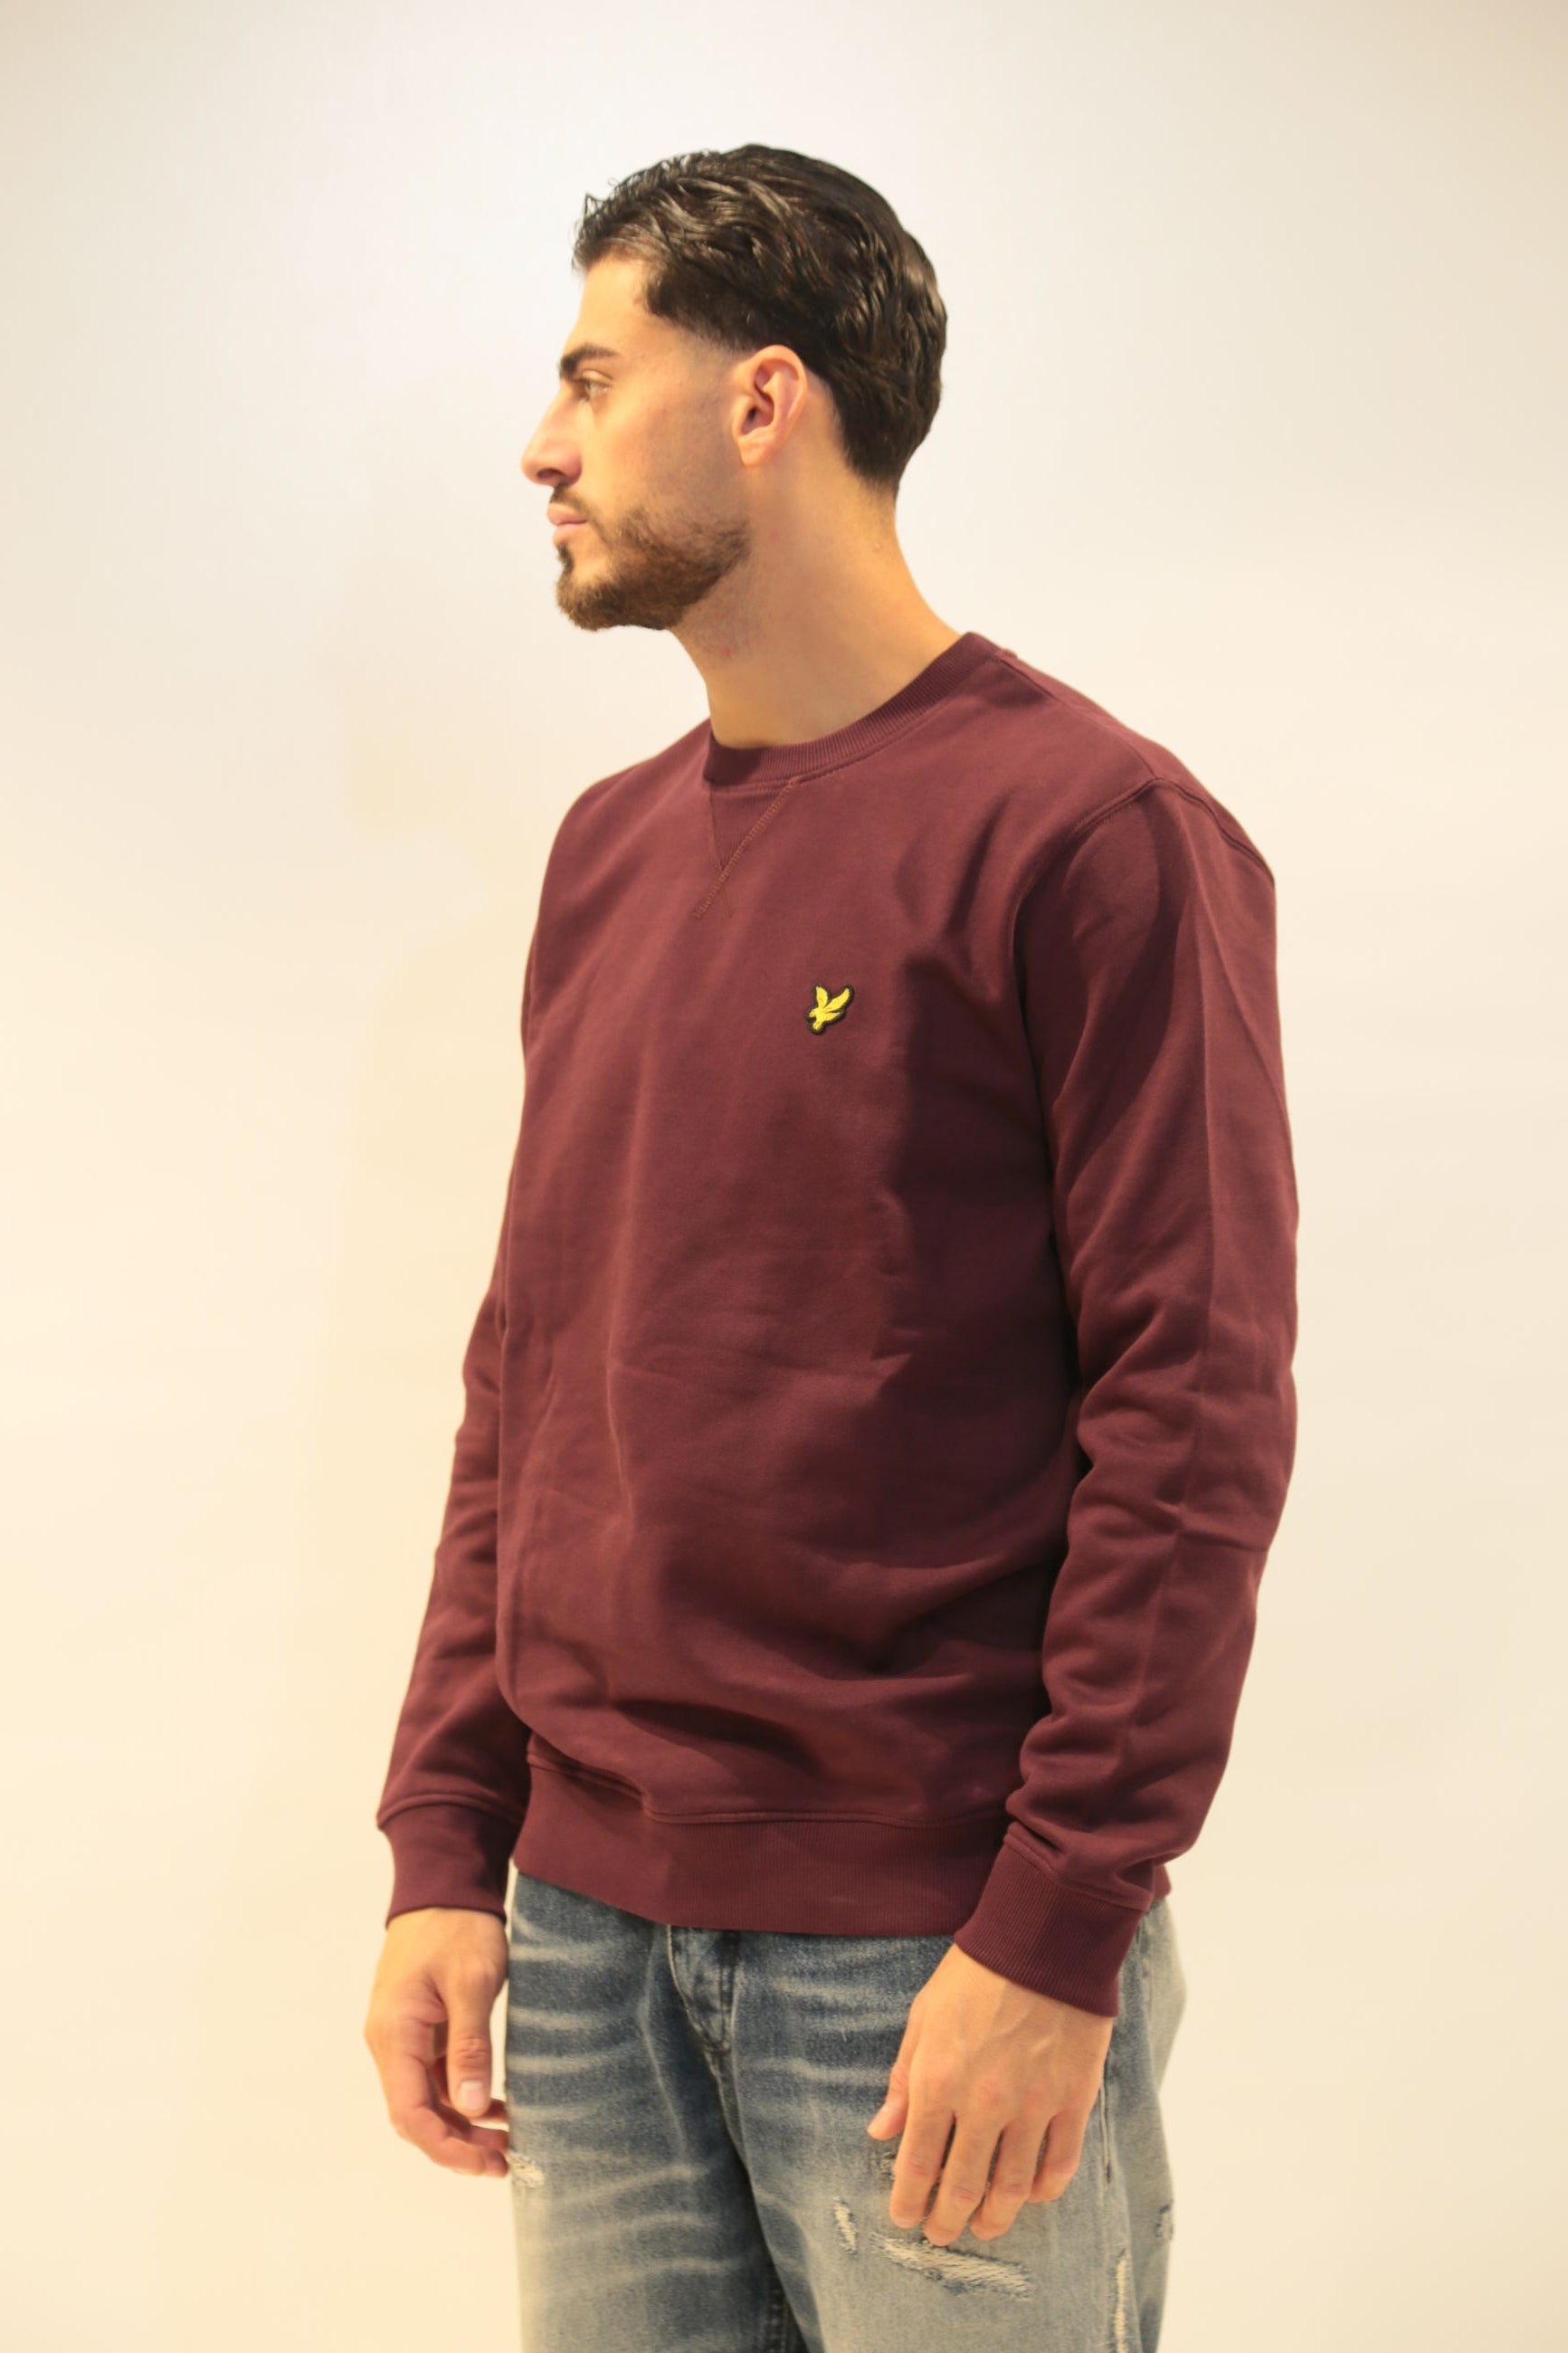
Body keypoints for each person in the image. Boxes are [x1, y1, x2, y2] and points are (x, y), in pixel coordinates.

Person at [361, 143, 1298, 2353]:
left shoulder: (1093, 836)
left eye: (596, 377)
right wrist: (447, 1839)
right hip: (585, 1942)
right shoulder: (607, 855)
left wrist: (1056, 1927)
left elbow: (1191, 1413)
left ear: (764, 399)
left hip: (925, 1953)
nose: (545, 444)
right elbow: (529, 1381)